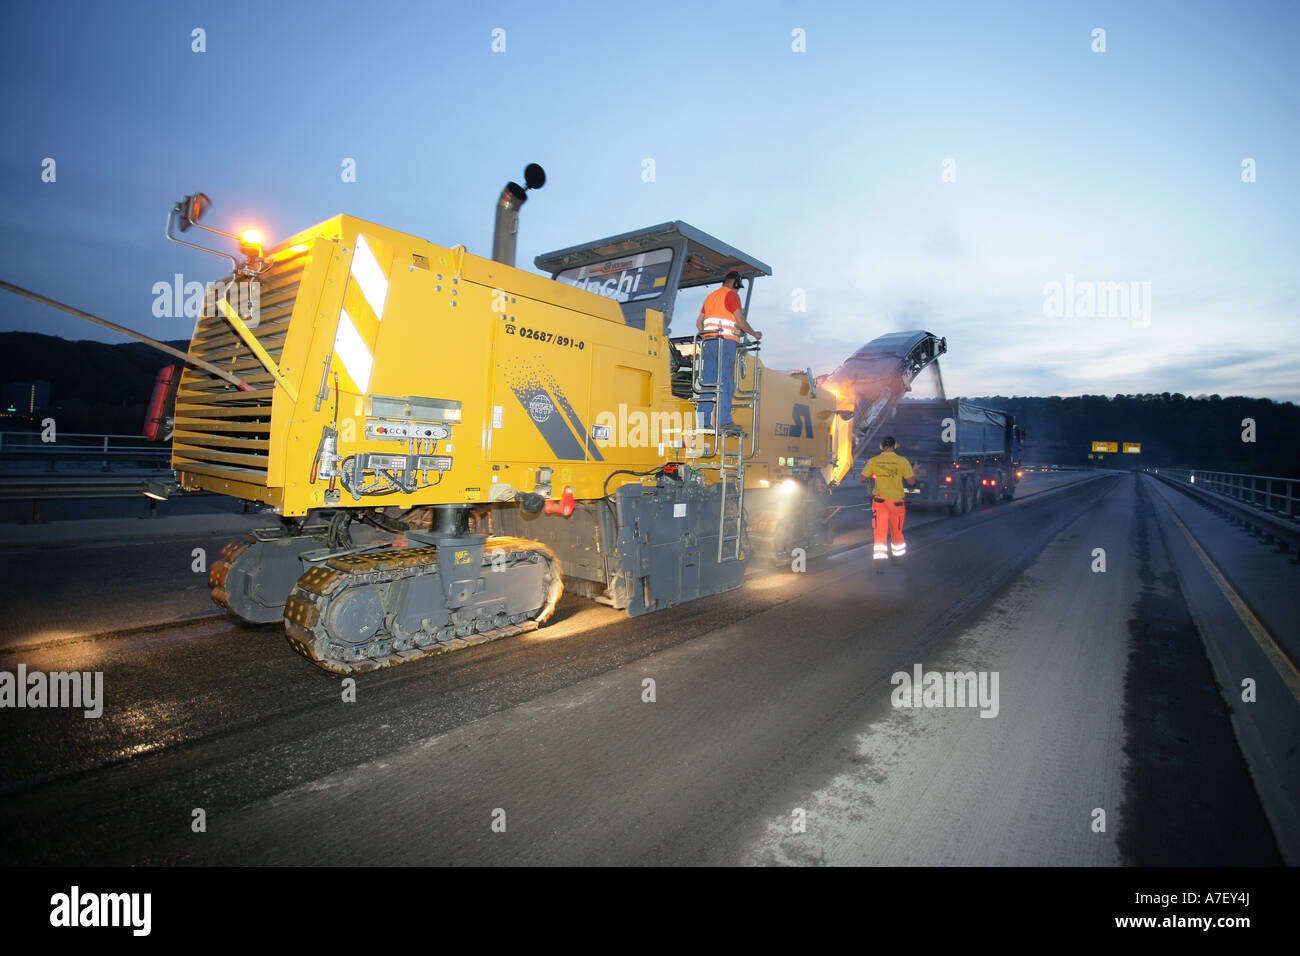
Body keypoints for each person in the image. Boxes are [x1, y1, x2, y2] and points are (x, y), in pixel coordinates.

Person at [695, 271, 761, 432]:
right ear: (735, 283)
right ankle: (724, 421)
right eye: (738, 288)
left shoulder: (710, 297)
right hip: (726, 342)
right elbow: (740, 321)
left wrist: (709, 335)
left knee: (708, 382)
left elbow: (698, 323)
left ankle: (703, 421)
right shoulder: (731, 295)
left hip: (709, 343)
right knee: (726, 381)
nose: (738, 291)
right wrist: (754, 334)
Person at [860, 436, 916, 571]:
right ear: (895, 446)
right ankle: (897, 558)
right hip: (897, 504)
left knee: (880, 532)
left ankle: (880, 561)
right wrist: (914, 470)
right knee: (896, 531)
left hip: (880, 503)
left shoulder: (874, 461)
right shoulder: (902, 461)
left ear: (881, 447)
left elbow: (862, 478)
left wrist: (876, 473)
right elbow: (912, 482)